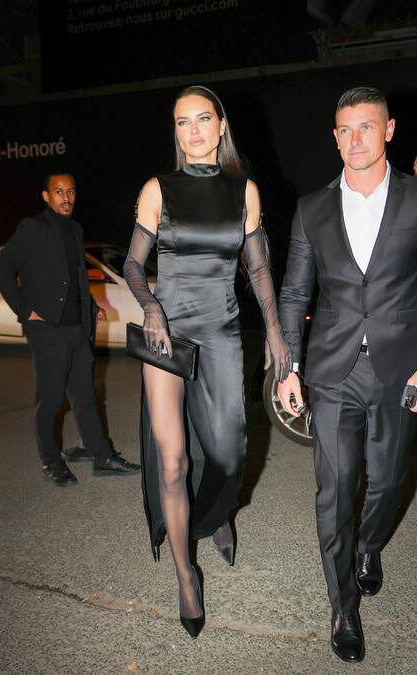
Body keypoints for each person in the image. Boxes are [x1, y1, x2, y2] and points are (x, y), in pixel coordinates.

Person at [123, 85, 292, 638]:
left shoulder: (244, 192)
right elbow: (132, 264)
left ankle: (216, 514)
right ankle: (185, 576)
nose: (192, 131)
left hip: (220, 330)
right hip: (166, 334)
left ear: (221, 126)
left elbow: (259, 268)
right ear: (175, 132)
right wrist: (151, 307)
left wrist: (276, 333)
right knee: (173, 463)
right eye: (182, 122)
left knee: (227, 454)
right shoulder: (158, 189)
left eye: (202, 119)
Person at [277, 87, 417, 663]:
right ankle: (342, 607)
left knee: (387, 483)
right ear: (335, 137)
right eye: (345, 129)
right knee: (335, 491)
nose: (355, 138)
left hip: (400, 369)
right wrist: (288, 367)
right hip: (333, 372)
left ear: (389, 130)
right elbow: (294, 294)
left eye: (366, 126)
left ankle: (369, 544)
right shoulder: (311, 208)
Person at [0, 172, 141, 486]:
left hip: (78, 328)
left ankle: (102, 456)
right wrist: (25, 312)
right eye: (59, 192)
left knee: (85, 396)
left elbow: (75, 277)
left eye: (71, 192)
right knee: (50, 401)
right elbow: (1, 267)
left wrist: (91, 307)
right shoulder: (33, 227)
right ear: (46, 196)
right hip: (48, 330)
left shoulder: (75, 228)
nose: (66, 198)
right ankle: (51, 461)